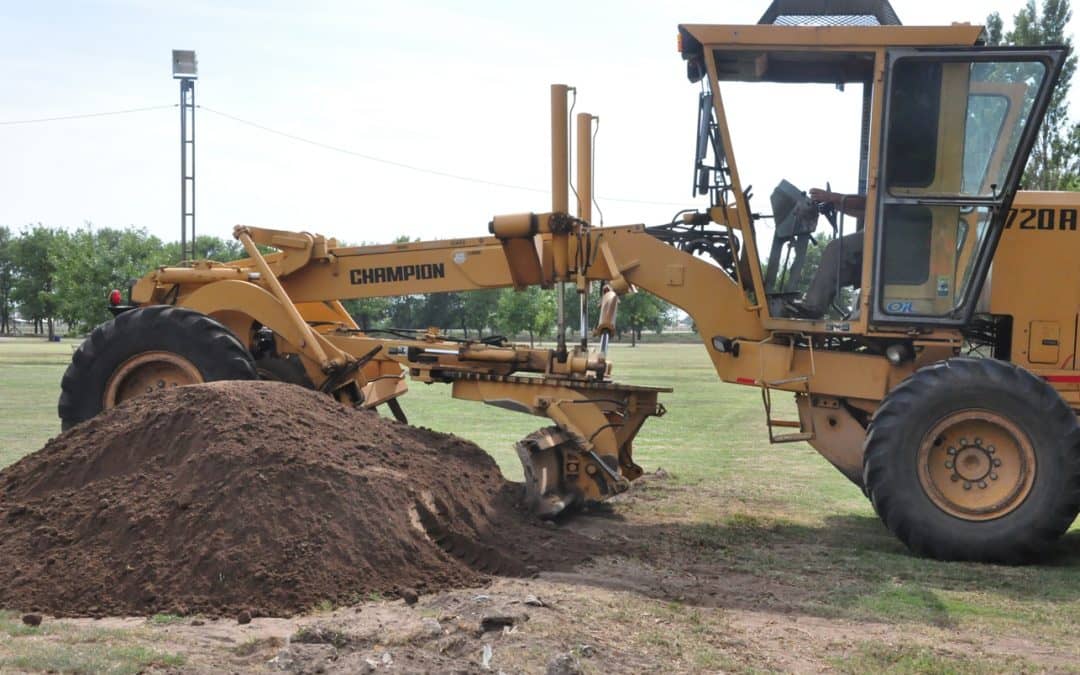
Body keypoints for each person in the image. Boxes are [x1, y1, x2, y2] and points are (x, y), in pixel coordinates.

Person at [787, 188, 866, 319]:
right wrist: (835, 204)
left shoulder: (886, 182)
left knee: (836, 249)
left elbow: (866, 204)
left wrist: (832, 197)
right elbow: (863, 210)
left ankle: (814, 305)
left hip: (888, 238)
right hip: (888, 238)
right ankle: (817, 303)